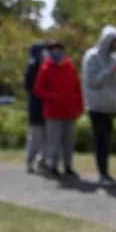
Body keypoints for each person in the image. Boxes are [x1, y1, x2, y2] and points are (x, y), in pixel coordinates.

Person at [34, 40, 84, 177]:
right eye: (53, 50)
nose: (57, 52)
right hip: (54, 111)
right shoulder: (46, 68)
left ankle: (68, 166)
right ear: (50, 52)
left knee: (69, 141)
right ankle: (53, 166)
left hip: (70, 110)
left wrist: (80, 106)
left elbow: (77, 88)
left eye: (59, 49)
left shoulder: (71, 67)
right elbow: (38, 90)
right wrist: (52, 96)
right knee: (54, 141)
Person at [82, 25, 116, 187]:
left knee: (107, 141)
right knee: (101, 140)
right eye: (114, 42)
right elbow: (93, 81)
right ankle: (103, 174)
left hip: (110, 106)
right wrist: (110, 72)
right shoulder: (91, 56)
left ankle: (106, 172)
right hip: (96, 106)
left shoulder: (115, 59)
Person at [24, 41, 48, 174]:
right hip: (36, 107)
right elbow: (28, 87)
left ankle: (43, 160)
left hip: (47, 107)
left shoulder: (48, 66)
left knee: (46, 137)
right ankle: (30, 161)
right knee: (36, 136)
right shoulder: (32, 67)